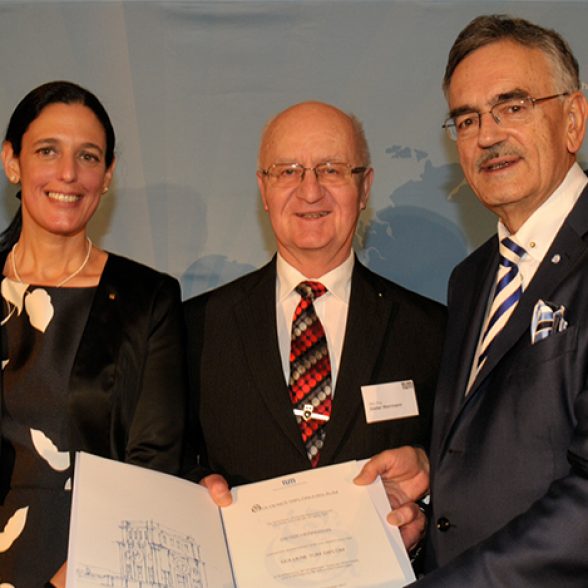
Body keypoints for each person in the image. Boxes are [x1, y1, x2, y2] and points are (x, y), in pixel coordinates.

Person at [356, 14, 588, 585]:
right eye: (466, 118)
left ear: (573, 120)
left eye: (513, 106)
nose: (487, 134)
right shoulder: (472, 276)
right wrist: (431, 493)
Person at [183, 101, 446, 527]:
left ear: (365, 189)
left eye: (332, 169)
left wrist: (424, 509)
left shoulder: (432, 331)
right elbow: (170, 462)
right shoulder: (196, 328)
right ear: (263, 190)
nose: (310, 191)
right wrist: (192, 490)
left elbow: (457, 467)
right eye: (287, 171)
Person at [0, 81, 187, 587]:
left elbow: (152, 466)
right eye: (47, 151)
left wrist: (73, 579)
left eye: (88, 156)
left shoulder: (148, 299)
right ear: (12, 161)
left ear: (107, 177)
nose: (68, 173)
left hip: (90, 568)